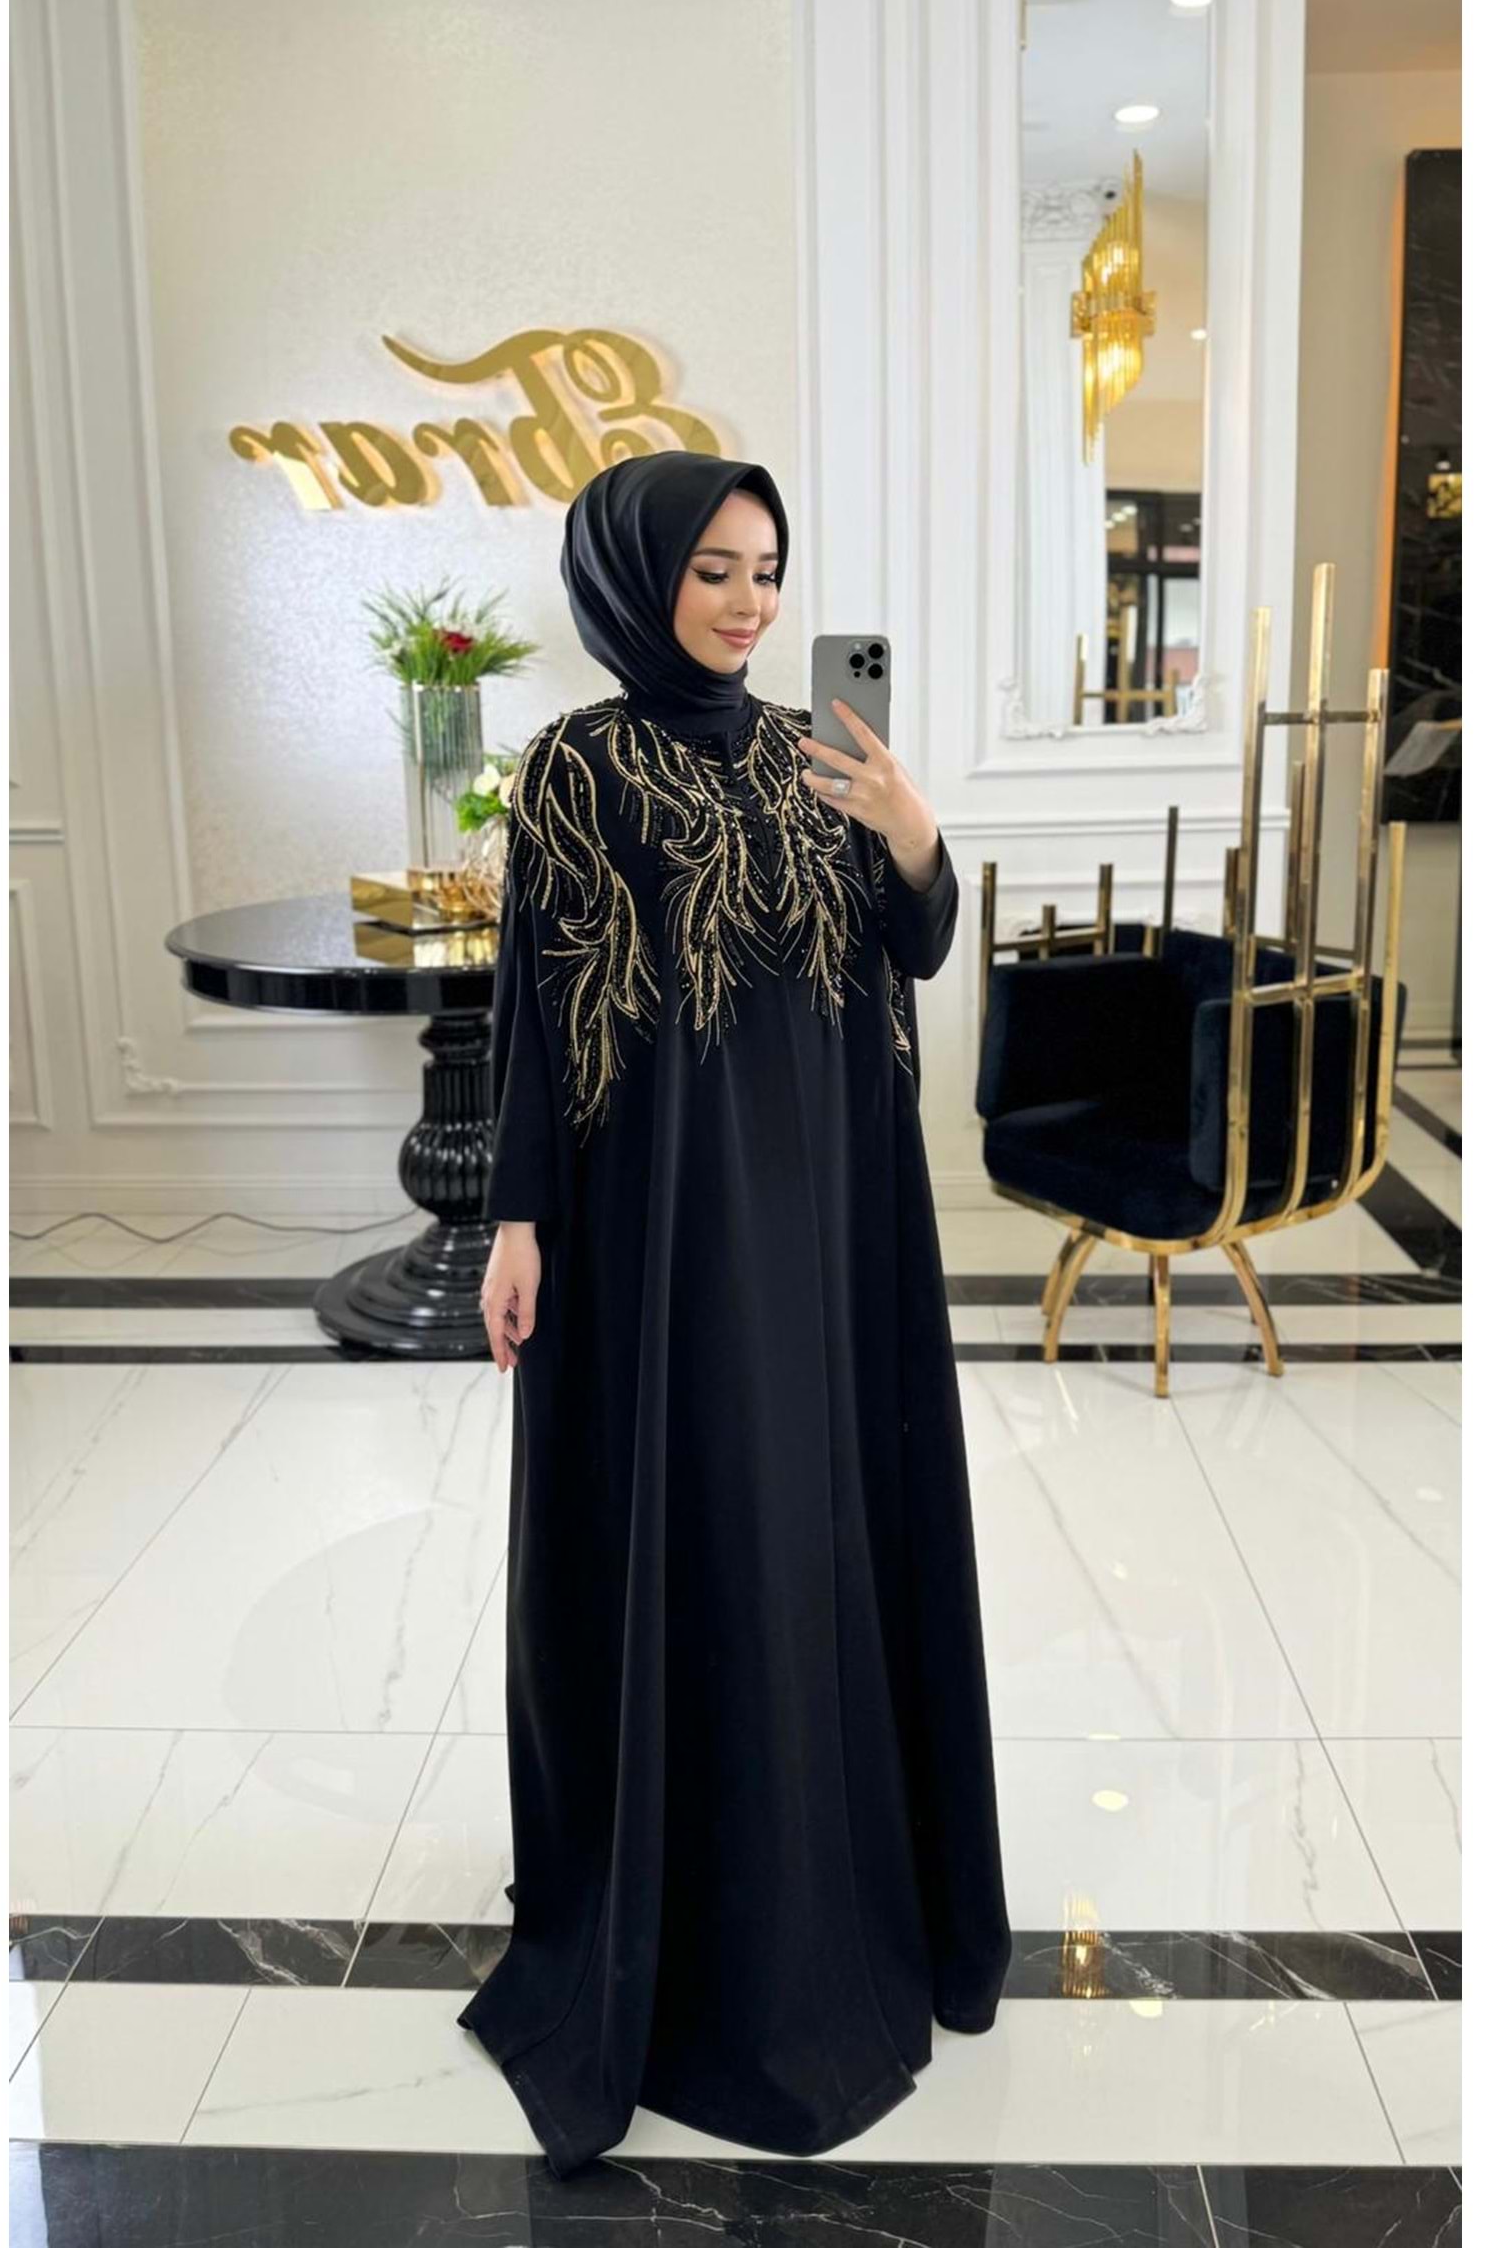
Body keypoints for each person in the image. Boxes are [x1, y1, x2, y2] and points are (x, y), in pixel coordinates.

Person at [456, 451, 1011, 2176]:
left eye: (766, 569)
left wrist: (910, 829)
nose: (749, 603)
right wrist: (518, 1219)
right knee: (708, 1518)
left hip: (832, 1218)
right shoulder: (575, 767)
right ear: (638, 578)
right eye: (713, 570)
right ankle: (695, 1923)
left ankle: (842, 1887)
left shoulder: (813, 750)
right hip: (665, 1230)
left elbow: (916, 944)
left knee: (821, 1515)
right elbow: (537, 1009)